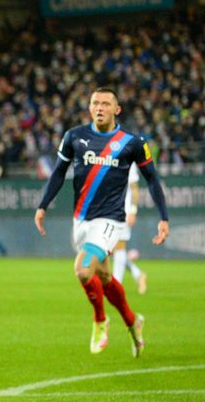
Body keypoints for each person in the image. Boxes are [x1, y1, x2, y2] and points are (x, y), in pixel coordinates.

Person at [34, 88, 169, 358]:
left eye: (106, 104)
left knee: (84, 270)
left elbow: (152, 179)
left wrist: (163, 217)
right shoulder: (74, 136)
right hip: (81, 220)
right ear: (89, 107)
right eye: (95, 103)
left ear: (116, 109)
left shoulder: (132, 142)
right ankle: (133, 322)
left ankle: (99, 320)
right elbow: (59, 173)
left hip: (110, 221)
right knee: (104, 277)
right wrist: (42, 205)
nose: (100, 107)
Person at [112, 162, 148, 294]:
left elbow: (134, 187)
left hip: (123, 210)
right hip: (108, 210)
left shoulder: (128, 159)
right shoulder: (105, 155)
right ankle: (138, 275)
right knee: (112, 249)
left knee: (119, 247)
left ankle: (116, 286)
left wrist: (132, 210)